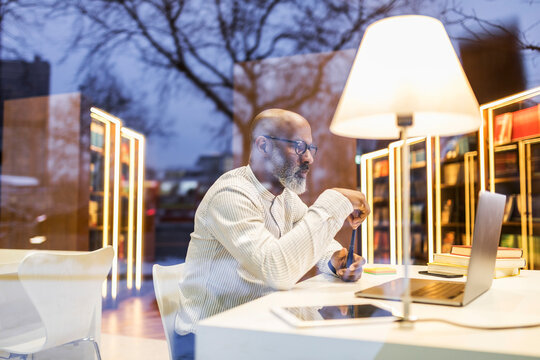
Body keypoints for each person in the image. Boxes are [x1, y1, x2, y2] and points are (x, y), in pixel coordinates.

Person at [172, 108, 370, 360]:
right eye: (299, 147)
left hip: (255, 328)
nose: (308, 158)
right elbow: (276, 269)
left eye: (310, 148)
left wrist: (334, 258)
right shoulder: (231, 195)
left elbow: (308, 239)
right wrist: (334, 201)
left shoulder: (284, 196)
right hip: (209, 341)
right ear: (263, 146)